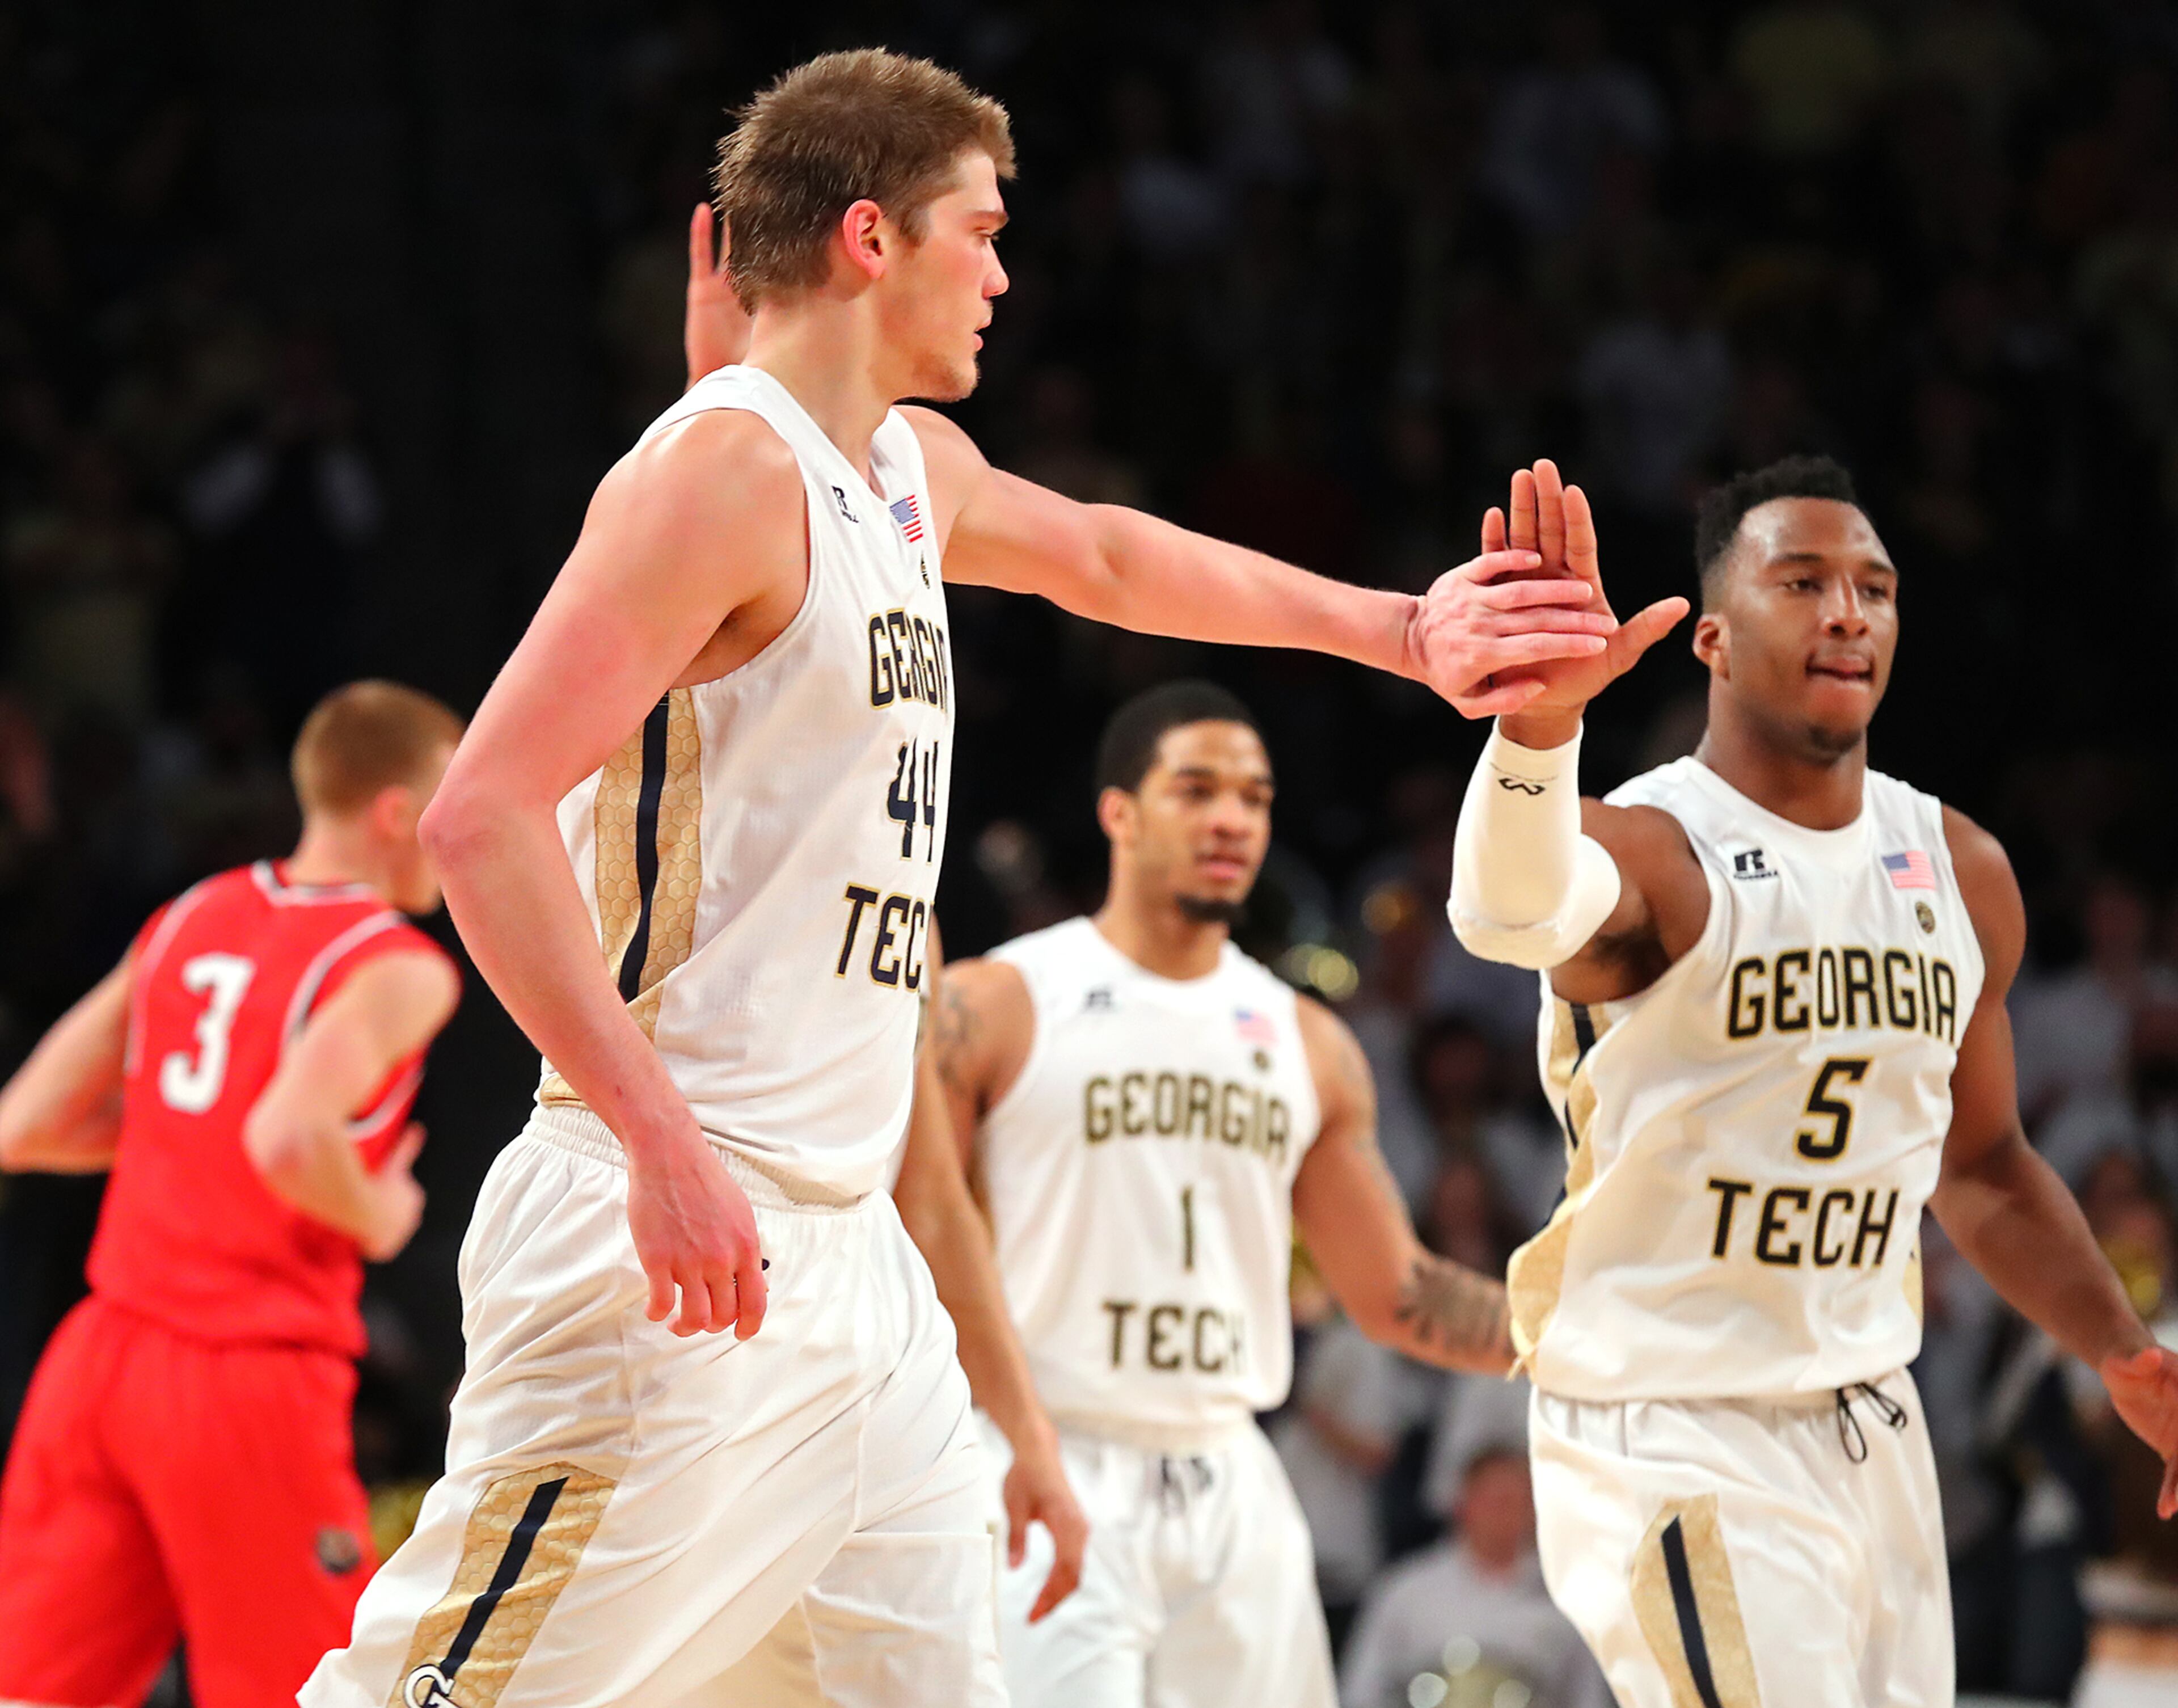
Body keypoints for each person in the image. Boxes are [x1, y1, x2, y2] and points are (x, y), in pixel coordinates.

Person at [304, 49, 1611, 1708]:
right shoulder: (725, 470)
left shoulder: (897, 472)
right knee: (440, 1692)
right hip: (675, 1231)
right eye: (979, 230)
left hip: (855, 1274)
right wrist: (660, 1140)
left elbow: (1111, 557)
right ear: (869, 236)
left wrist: (1399, 631)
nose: (1001, 270)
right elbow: (477, 816)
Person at [1446, 453, 2178, 1705]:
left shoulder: (1958, 865)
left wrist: (2121, 1348)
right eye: (1805, 581)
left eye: (1876, 588)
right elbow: (1506, 910)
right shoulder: (1658, 844)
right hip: (1675, 1422)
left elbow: (1986, 1167)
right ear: (1715, 640)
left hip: (1872, 1426)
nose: (1850, 611)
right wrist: (1536, 730)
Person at [932, 681, 1523, 1708]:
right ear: (1119, 810)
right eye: (1196, 789)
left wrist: (1580, 1329)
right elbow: (925, 1234)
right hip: (1050, 1446)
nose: (1231, 819)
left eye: (1254, 797)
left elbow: (1396, 1292)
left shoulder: (1310, 1041)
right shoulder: (999, 1002)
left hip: (1233, 1471)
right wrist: (1014, 1431)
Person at [0, 680, 464, 1708]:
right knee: (301, 1692)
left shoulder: (187, 916)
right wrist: (377, 1210)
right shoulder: (398, 964)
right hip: (244, 1372)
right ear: (395, 813)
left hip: (102, 1357)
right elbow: (289, 1135)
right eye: (446, 800)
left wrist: (179, 1150)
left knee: (37, 1690)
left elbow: (23, 1123)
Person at [1340, 1440, 1608, 1708]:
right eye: (1495, 1501)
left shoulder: (1564, 1599)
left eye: (1518, 1501)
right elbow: (1361, 1693)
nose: (1505, 1514)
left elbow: (1588, 1699)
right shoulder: (1405, 1592)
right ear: (1462, 1504)